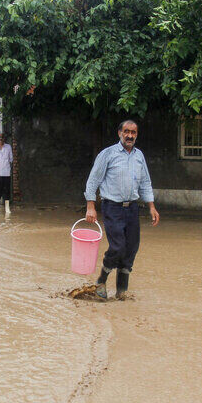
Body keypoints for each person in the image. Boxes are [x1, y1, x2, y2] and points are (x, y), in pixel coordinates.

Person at [84, 120, 159, 300]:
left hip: (132, 208)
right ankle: (101, 280)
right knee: (118, 247)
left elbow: (145, 183)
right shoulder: (107, 154)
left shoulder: (139, 156)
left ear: (136, 135)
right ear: (119, 133)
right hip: (112, 207)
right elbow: (93, 180)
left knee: (131, 248)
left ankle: (121, 293)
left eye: (133, 132)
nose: (130, 136)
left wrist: (152, 207)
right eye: (126, 131)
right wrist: (91, 206)